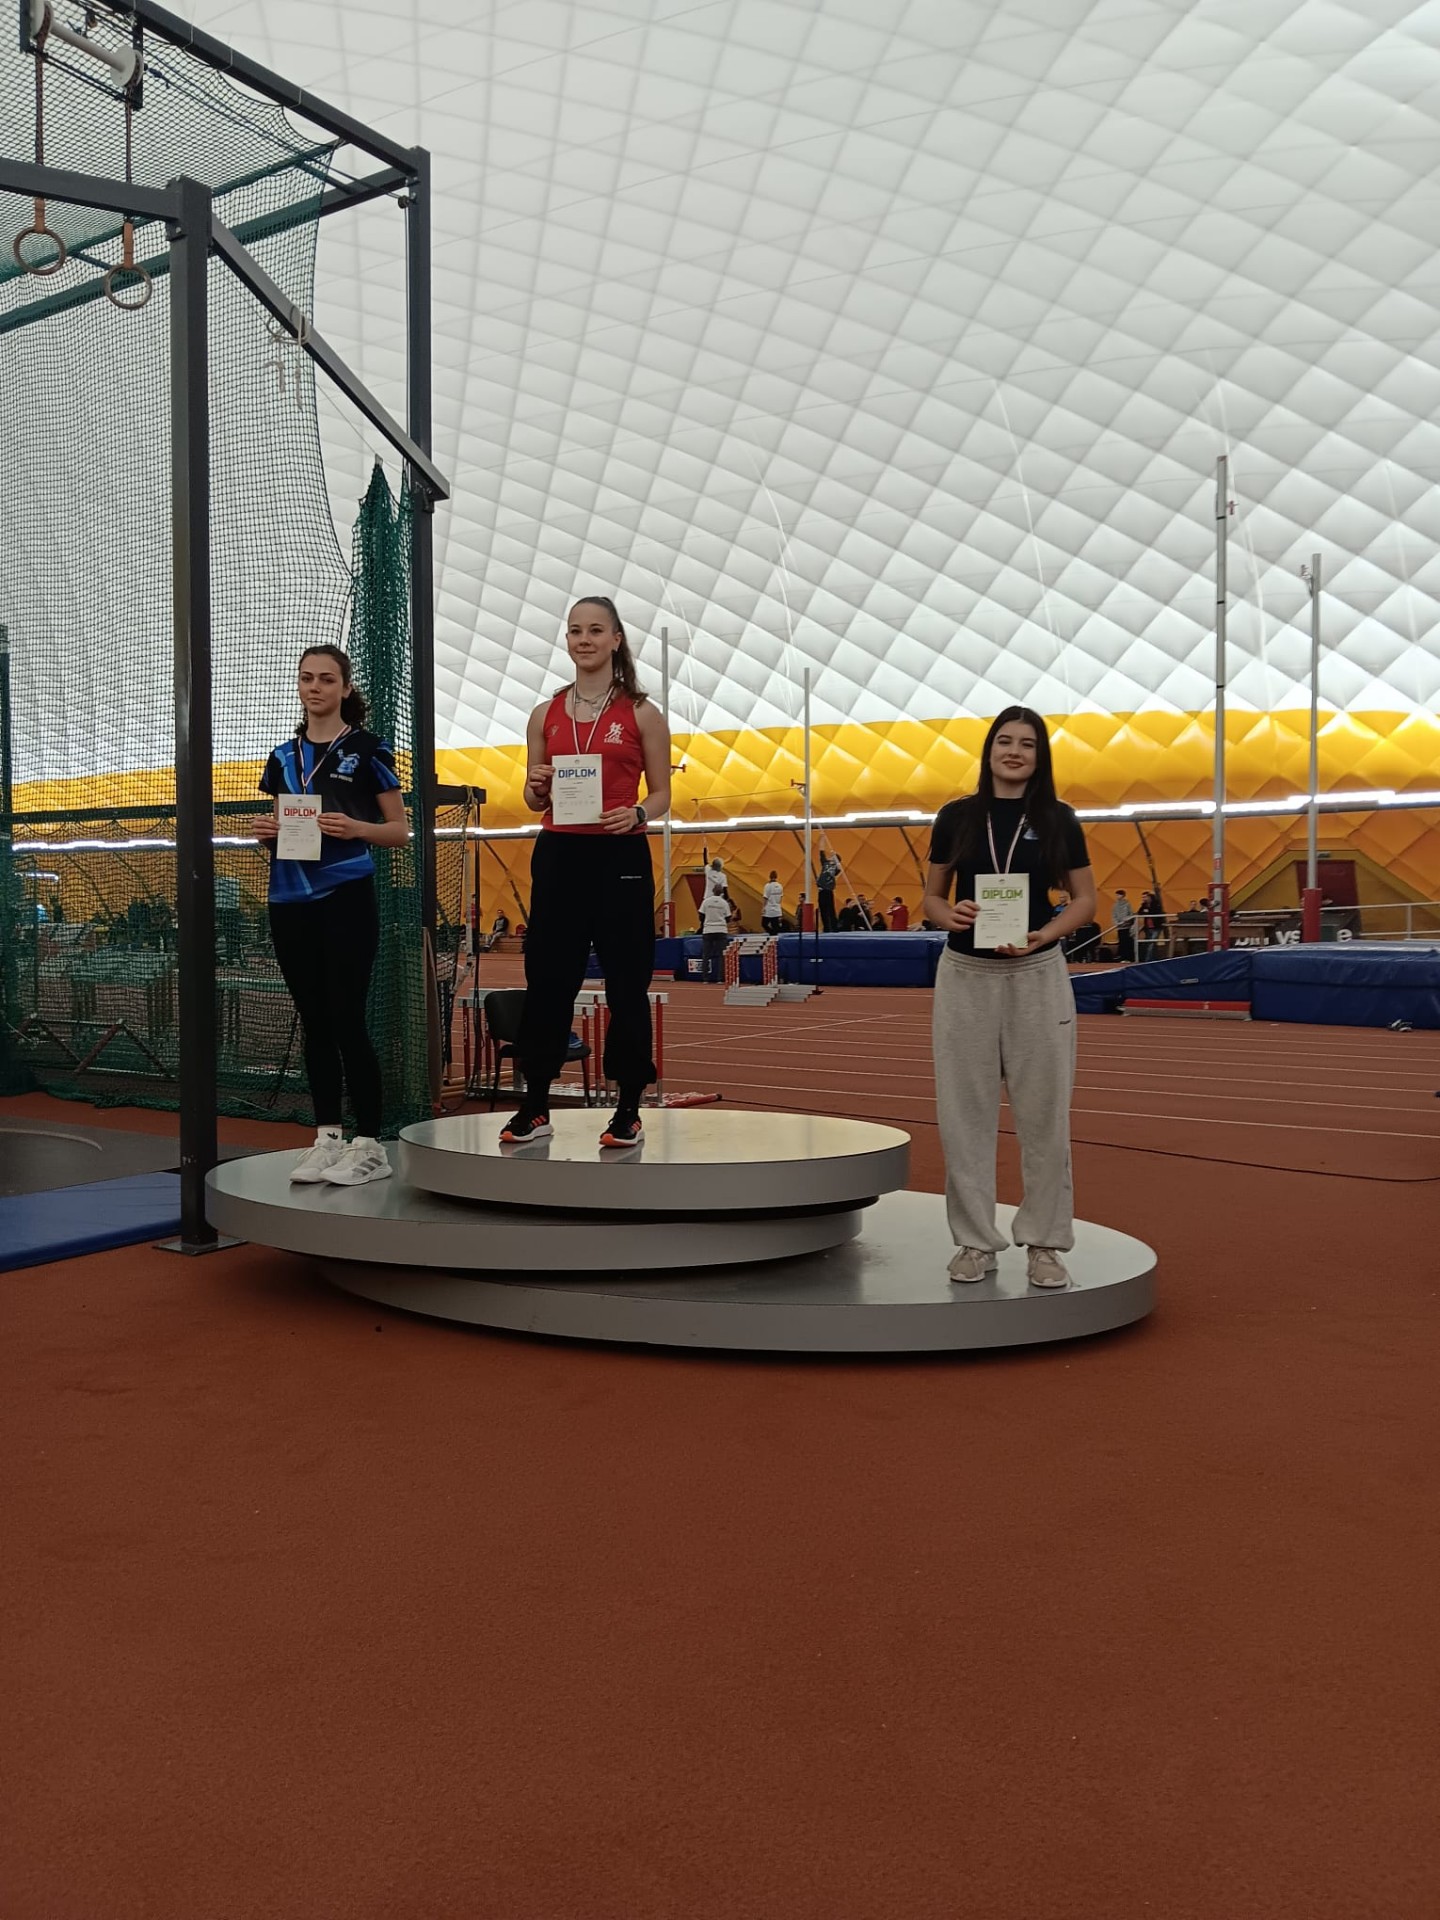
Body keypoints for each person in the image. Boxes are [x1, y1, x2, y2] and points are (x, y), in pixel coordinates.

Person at [924, 705, 1097, 1291]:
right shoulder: (956, 817)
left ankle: (1045, 1242)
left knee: (1044, 1116)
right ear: (989, 749)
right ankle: (975, 1242)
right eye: (1005, 741)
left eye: (1027, 743)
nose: (1014, 752)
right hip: (966, 976)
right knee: (964, 1116)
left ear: (1039, 755)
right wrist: (950, 914)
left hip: (1037, 974)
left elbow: (1084, 900)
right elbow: (932, 898)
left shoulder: (1058, 818)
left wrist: (1045, 934)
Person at [504, 595, 672, 1147]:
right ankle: (535, 1104)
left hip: (620, 853)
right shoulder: (544, 713)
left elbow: (663, 792)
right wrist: (535, 788)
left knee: (627, 982)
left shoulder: (642, 713)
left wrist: (639, 812)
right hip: (560, 852)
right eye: (576, 630)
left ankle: (628, 1107)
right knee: (548, 979)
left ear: (616, 639)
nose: (584, 639)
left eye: (596, 630)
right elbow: (533, 798)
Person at [252, 644, 410, 1186]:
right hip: (288, 899)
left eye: (325, 679)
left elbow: (399, 831)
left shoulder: (367, 749)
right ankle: (327, 1137)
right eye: (306, 679)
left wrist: (356, 828)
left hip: (345, 895)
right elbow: (281, 828)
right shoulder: (282, 756)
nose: (314, 687)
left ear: (345, 687)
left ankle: (370, 1143)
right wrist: (266, 834)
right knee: (314, 1020)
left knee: (347, 1018)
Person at [699, 886, 734, 982]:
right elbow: (728, 917)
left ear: (713, 891)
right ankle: (720, 978)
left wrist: (707, 921)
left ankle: (705, 978)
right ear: (722, 892)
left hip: (708, 930)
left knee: (706, 955)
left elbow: (701, 915)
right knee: (721, 955)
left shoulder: (706, 901)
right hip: (721, 930)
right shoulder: (724, 903)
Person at [817, 850, 841, 931]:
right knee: (823, 909)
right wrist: (822, 850)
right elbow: (822, 857)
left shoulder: (835, 867)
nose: (831, 858)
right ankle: (826, 927)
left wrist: (836, 859)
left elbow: (839, 869)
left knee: (830, 909)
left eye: (833, 857)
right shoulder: (826, 863)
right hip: (821, 890)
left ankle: (834, 927)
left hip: (828, 890)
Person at [1112, 888, 1136, 961]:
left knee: (1127, 942)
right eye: (1117, 895)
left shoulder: (1127, 904)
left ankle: (1129, 957)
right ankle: (1122, 956)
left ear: (1123, 895)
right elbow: (1114, 915)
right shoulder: (1115, 905)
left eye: (1119, 895)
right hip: (1119, 927)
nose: (1117, 896)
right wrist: (1117, 923)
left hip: (1127, 927)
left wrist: (1127, 920)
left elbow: (1131, 914)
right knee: (1121, 942)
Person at [761, 871, 784, 936]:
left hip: (769, 908)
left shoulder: (768, 886)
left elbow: (765, 897)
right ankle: (774, 935)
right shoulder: (780, 886)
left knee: (764, 924)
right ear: (776, 877)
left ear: (769, 876)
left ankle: (771, 933)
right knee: (775, 925)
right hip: (777, 908)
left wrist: (763, 907)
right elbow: (781, 897)